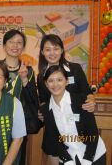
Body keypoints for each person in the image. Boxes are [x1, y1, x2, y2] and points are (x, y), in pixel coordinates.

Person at [37, 34, 96, 164]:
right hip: (55, 127)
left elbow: (87, 92)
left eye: (56, 48)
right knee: (54, 156)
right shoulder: (41, 77)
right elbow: (43, 101)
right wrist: (42, 113)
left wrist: (91, 100)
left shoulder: (75, 69)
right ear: (42, 52)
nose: (52, 53)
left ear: (62, 50)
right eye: (47, 49)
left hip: (76, 126)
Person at [40, 65, 106, 165]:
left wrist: (88, 160)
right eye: (51, 81)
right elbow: (55, 138)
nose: (55, 84)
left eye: (59, 80)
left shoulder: (81, 101)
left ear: (66, 81)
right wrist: (67, 160)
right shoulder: (46, 110)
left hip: (93, 154)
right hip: (68, 156)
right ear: (46, 84)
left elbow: (93, 133)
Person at [2, 29, 41, 164]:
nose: (15, 45)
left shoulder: (28, 70)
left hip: (19, 125)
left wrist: (24, 80)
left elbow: (33, 101)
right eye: (11, 42)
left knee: (18, 159)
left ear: (23, 47)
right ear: (4, 46)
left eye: (19, 42)